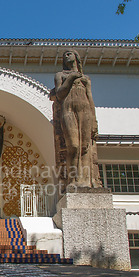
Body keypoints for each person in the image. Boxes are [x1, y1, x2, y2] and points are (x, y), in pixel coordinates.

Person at [54, 50, 102, 188]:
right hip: (68, 110)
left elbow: (90, 99)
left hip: (85, 110)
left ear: (76, 57)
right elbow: (59, 94)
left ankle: (87, 180)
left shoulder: (85, 78)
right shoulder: (60, 75)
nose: (66, 56)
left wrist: (94, 122)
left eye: (69, 53)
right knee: (73, 146)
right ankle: (73, 179)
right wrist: (70, 78)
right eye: (65, 55)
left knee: (85, 146)